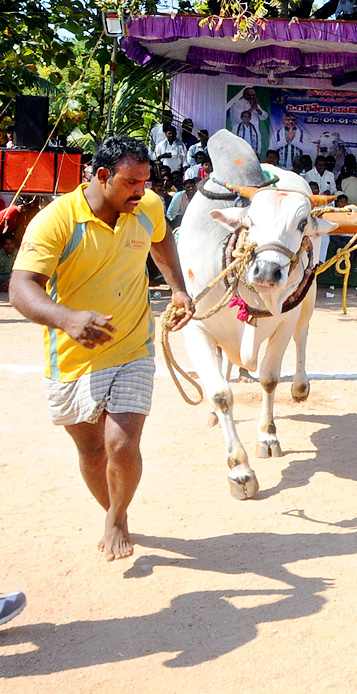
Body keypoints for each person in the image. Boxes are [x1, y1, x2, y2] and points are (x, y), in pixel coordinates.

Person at [8, 136, 194, 561]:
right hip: (72, 357)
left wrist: (178, 289)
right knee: (91, 451)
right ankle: (117, 511)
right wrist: (67, 319)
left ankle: (115, 517)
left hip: (132, 345)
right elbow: (21, 287)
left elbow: (162, 240)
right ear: (102, 175)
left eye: (147, 182)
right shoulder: (56, 221)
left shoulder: (146, 208)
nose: (142, 192)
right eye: (132, 182)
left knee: (122, 444)